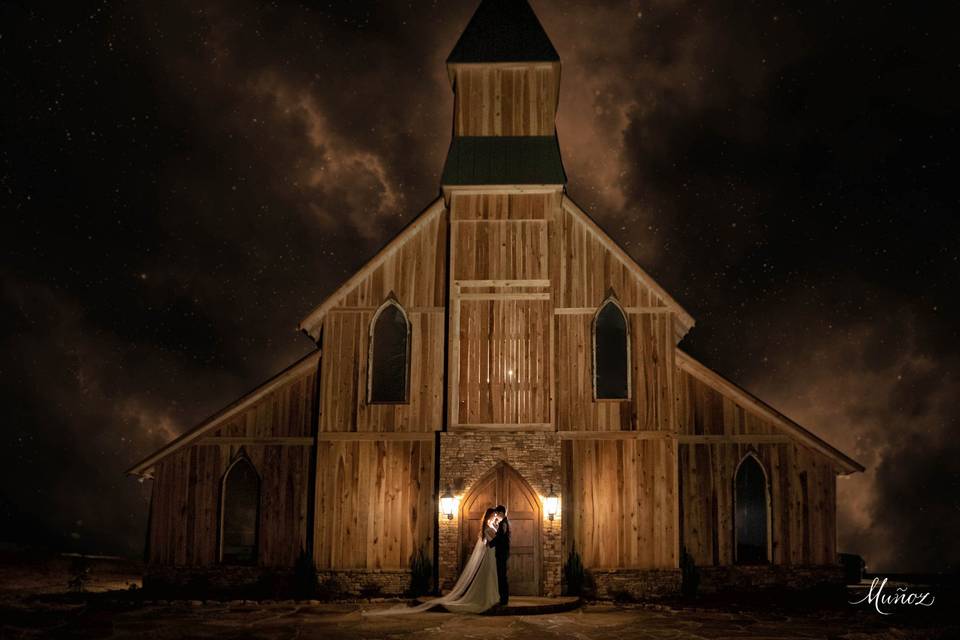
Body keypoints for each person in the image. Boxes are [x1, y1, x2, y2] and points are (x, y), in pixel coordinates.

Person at [362, 507, 501, 616]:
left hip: (491, 553)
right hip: (489, 553)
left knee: (490, 576)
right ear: (489, 516)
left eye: (496, 515)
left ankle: (492, 596)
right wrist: (498, 531)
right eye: (493, 515)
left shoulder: (490, 526)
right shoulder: (487, 528)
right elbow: (493, 540)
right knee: (488, 575)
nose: (495, 517)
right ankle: (486, 598)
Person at [487, 504, 511, 606]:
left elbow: (500, 538)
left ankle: (503, 599)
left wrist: (490, 543)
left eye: (497, 513)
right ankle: (503, 598)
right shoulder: (504, 523)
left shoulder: (503, 524)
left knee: (501, 576)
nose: (496, 515)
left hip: (501, 553)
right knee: (502, 576)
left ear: (501, 513)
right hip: (503, 553)